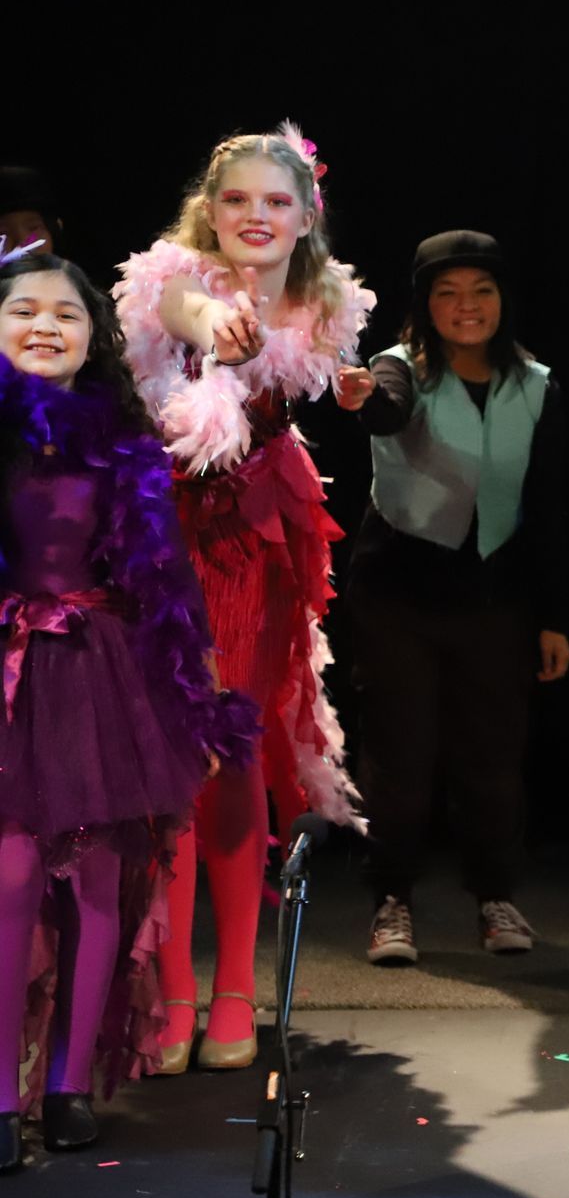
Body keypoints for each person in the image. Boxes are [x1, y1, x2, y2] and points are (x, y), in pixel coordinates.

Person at [113, 124, 372, 1072]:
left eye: (275, 202)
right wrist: (210, 325)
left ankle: (233, 990)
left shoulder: (325, 304)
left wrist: (350, 392)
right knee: (171, 765)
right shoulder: (173, 279)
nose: (254, 217)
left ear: (305, 216)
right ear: (207, 211)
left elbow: (319, 375)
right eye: (236, 201)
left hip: (254, 543)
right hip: (161, 537)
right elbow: (177, 305)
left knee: (233, 752)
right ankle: (171, 988)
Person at [0, 248, 254, 1169]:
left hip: (101, 672)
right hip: (9, 667)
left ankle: (68, 1086)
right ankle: (0, 1095)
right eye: (22, 310)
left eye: (64, 314)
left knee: (100, 884)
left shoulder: (123, 434)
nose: (43, 327)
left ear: (90, 335)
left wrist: (196, 688)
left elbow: (162, 573)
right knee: (12, 882)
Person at [341, 231, 569, 965]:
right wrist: (363, 399)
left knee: (492, 761)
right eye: (447, 292)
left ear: (503, 301)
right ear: (424, 303)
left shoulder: (536, 384)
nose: (465, 306)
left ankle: (495, 897)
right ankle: (391, 901)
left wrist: (553, 618)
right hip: (397, 595)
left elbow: (549, 508)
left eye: (481, 291)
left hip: (494, 597)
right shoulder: (397, 369)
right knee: (400, 760)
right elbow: (385, 409)